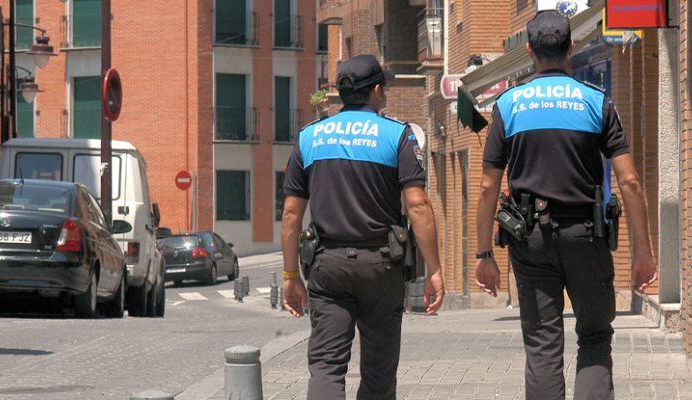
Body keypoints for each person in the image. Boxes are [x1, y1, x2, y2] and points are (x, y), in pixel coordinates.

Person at [474, 10, 658, 400]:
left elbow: (489, 184)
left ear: (528, 51)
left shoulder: (507, 106)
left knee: (542, 345)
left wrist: (483, 253)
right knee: (594, 335)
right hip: (586, 237)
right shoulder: (596, 102)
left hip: (530, 240)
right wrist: (642, 250)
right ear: (571, 47)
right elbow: (628, 180)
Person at [280, 54, 445, 400]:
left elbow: (292, 213)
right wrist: (434, 269)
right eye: (383, 86)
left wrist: (290, 276)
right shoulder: (397, 135)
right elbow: (417, 205)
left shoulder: (310, 137)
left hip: (328, 266)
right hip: (381, 266)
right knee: (379, 370)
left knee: (326, 366)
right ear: (375, 91)